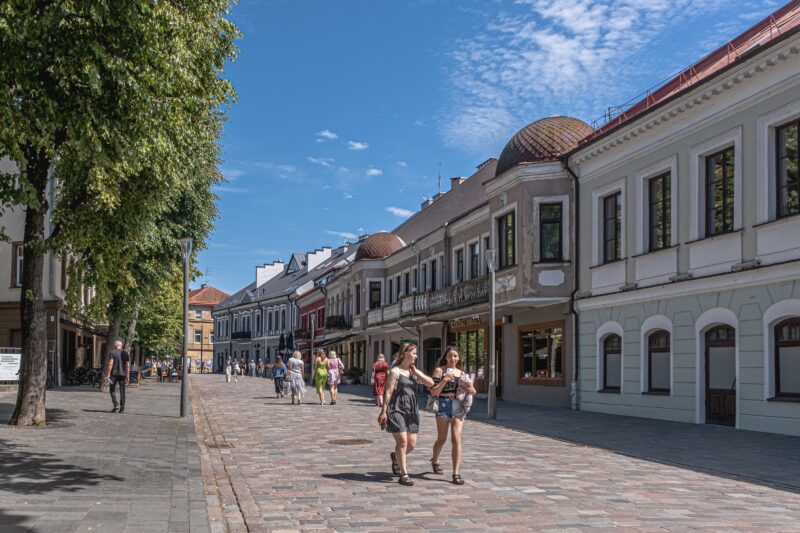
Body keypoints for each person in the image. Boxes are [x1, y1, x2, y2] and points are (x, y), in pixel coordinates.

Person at [377, 343, 434, 486]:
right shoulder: (395, 371)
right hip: (397, 408)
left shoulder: (413, 372)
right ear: (405, 353)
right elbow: (388, 392)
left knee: (412, 444)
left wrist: (416, 373)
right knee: (402, 441)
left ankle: (395, 457)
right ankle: (404, 475)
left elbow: (431, 383)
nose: (416, 356)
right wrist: (384, 411)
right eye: (414, 353)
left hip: (412, 410)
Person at [429, 346, 477, 485]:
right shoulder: (440, 370)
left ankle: (456, 473)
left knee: (456, 439)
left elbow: (472, 391)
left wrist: (471, 389)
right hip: (443, 404)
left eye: (455, 356)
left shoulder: (462, 373)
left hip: (458, 406)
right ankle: (435, 460)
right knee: (442, 439)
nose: (452, 359)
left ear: (459, 358)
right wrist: (445, 380)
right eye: (450, 356)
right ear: (445, 357)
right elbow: (433, 392)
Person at [103, 340, 130, 413]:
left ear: (115, 345)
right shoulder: (125, 353)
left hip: (113, 374)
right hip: (122, 374)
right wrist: (127, 375)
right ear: (121, 346)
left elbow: (110, 364)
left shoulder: (112, 352)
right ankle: (122, 408)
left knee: (112, 389)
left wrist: (108, 374)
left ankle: (115, 405)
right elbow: (127, 365)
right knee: (122, 391)